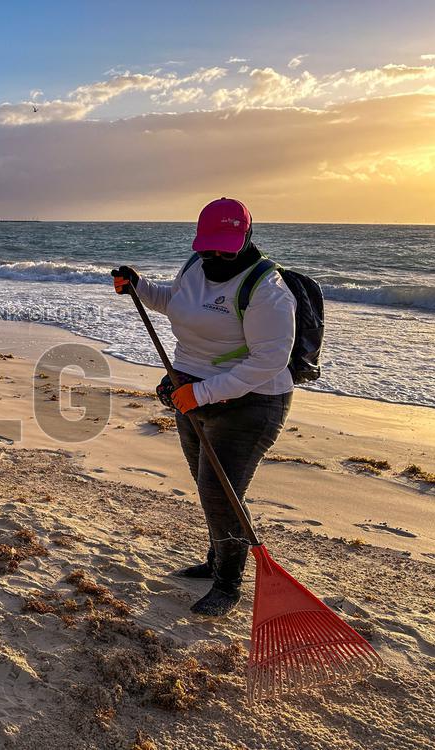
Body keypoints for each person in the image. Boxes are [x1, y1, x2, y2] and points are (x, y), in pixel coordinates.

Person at [111, 197, 296, 617]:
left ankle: (228, 584)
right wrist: (139, 288)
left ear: (246, 238)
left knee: (222, 492)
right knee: (207, 485)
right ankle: (216, 561)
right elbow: (176, 303)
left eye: (224, 248)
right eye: (207, 246)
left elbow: (269, 361)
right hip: (189, 390)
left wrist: (204, 393)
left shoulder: (267, 290)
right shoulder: (194, 266)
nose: (214, 255)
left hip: (253, 401)